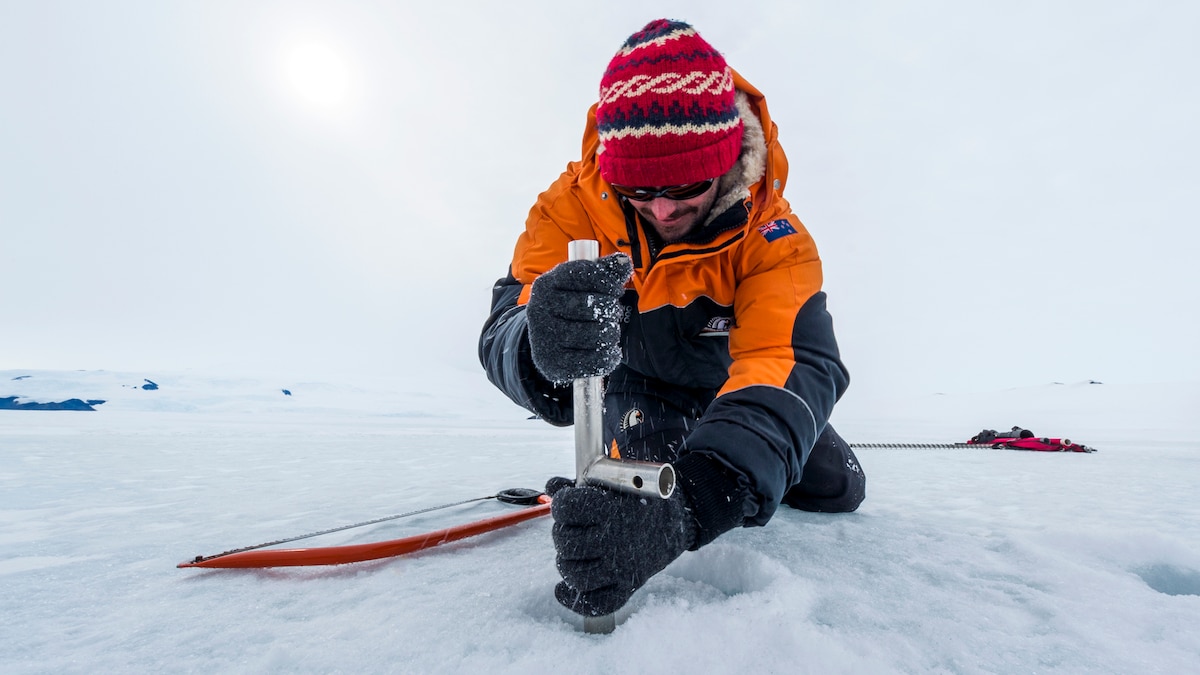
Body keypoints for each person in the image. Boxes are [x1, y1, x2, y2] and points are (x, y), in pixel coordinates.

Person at [479, 18, 865, 618]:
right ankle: (713, 453)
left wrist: (699, 500)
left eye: (685, 186)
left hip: (735, 386)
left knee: (839, 488)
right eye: (639, 189)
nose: (661, 209)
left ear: (725, 160)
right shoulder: (568, 211)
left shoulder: (773, 237)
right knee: (650, 479)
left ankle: (746, 449)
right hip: (641, 386)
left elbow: (789, 359)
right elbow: (503, 329)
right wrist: (537, 344)